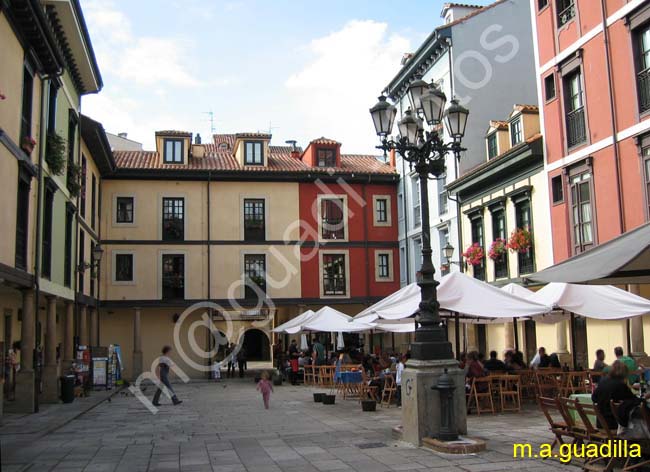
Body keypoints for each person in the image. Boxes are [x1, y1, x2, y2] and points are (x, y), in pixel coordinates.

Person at [592, 360, 637, 429]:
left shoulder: (603, 381)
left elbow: (594, 398)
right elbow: (633, 400)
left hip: (601, 424)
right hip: (614, 424)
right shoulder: (620, 385)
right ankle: (626, 440)